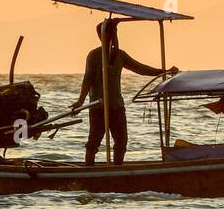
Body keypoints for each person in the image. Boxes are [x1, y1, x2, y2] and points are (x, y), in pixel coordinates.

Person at [72, 21, 177, 164]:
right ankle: (88, 170)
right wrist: (80, 101)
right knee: (93, 143)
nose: (109, 36)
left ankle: (117, 168)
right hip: (98, 107)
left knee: (121, 143)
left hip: (117, 106)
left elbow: (140, 68)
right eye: (106, 33)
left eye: (112, 33)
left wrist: (163, 72)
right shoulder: (94, 55)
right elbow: (87, 80)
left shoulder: (120, 55)